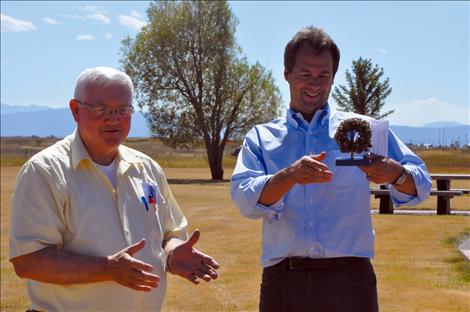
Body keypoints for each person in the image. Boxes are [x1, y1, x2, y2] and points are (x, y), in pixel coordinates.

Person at [231, 26, 432, 312]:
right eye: (305, 74)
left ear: (333, 78)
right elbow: (243, 199)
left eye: (323, 75)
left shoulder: (365, 130)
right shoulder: (261, 137)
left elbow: (423, 184)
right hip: (283, 283)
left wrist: (396, 174)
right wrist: (289, 176)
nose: (315, 83)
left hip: (350, 282)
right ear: (286, 74)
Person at [9, 67, 219, 311]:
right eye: (102, 109)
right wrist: (106, 269)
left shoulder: (147, 168)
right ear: (76, 111)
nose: (113, 119)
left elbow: (167, 234)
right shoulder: (44, 171)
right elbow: (28, 261)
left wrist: (172, 254)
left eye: (122, 110)